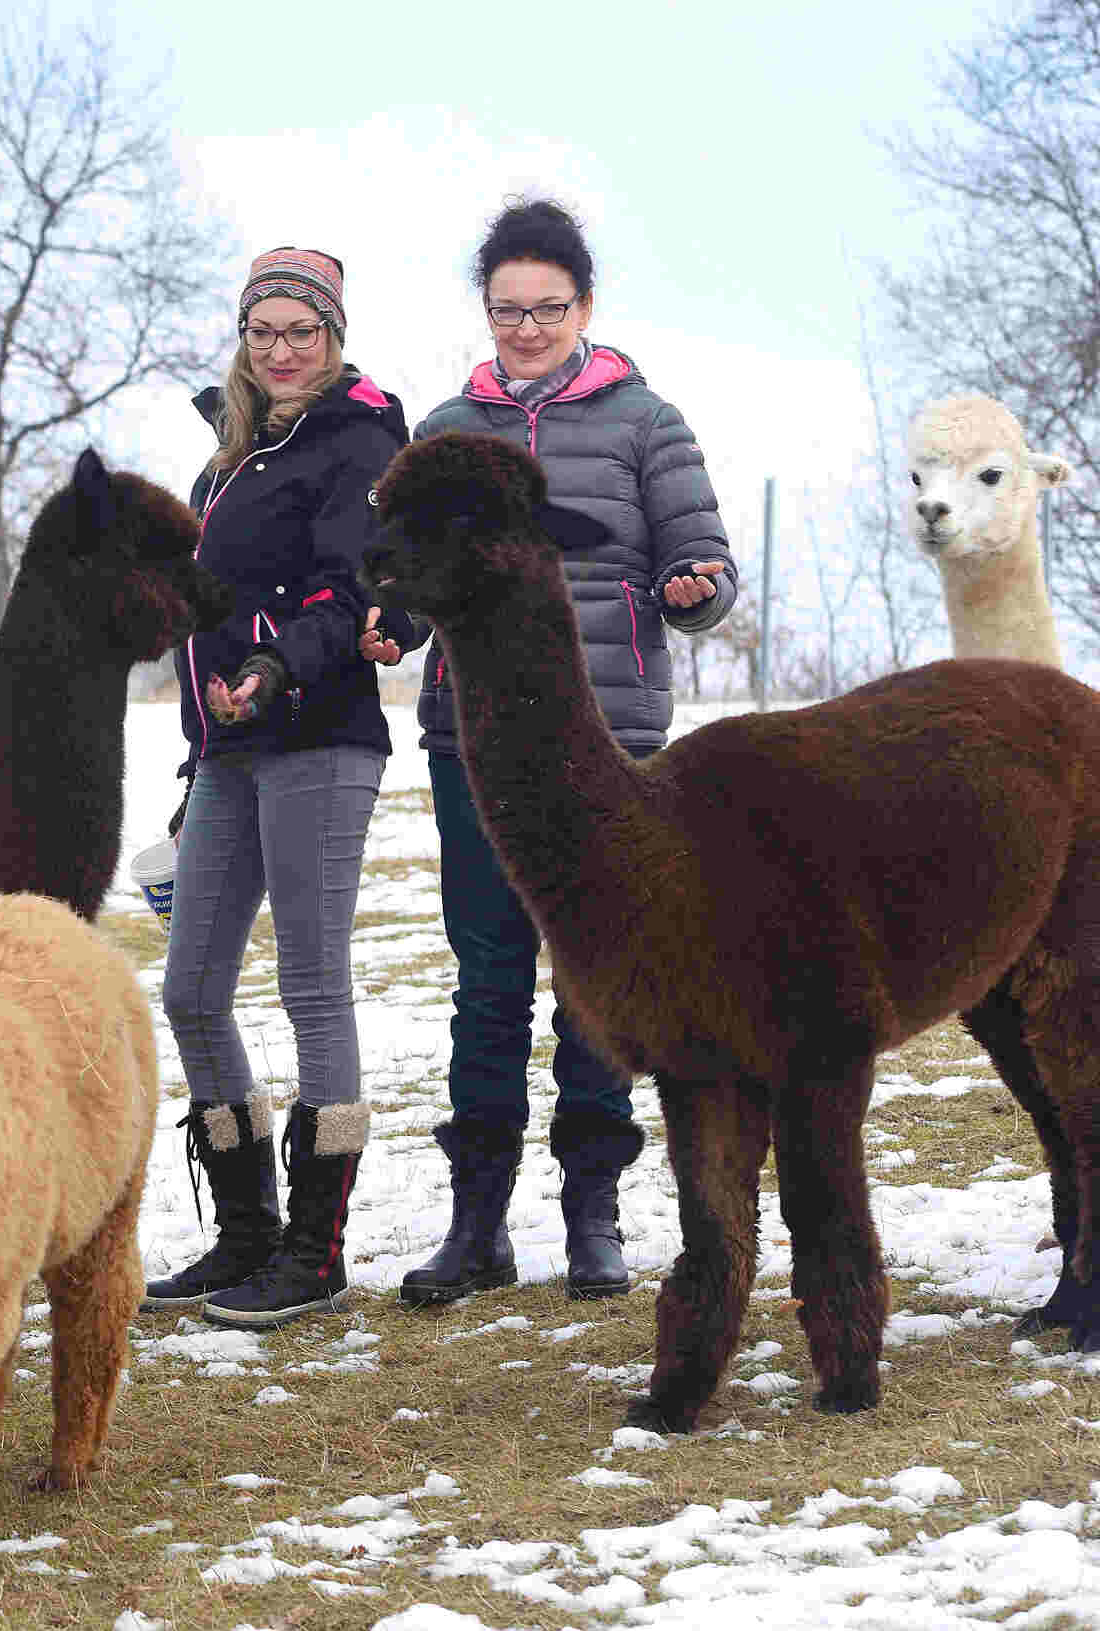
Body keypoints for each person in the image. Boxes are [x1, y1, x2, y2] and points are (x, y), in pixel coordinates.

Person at [391, 198, 737, 1307]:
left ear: (585, 305)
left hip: (610, 742)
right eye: (506, 310)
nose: (526, 328)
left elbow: (703, 563)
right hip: (474, 745)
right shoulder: (446, 427)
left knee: (598, 982)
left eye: (546, 308)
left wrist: (695, 589)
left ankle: (594, 1213)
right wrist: (390, 625)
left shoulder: (646, 423)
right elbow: (402, 568)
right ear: (484, 312)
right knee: (485, 978)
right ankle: (477, 1219)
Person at [140, 246, 419, 1331]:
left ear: (334, 336)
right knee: (190, 987)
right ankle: (247, 1231)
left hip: (318, 738)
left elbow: (357, 586)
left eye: (301, 331)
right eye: (264, 332)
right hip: (225, 748)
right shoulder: (232, 455)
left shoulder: (359, 440)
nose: (282, 350)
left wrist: (276, 660)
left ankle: (317, 1245)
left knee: (311, 983)